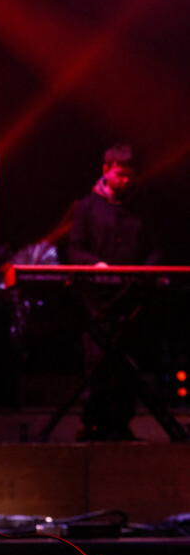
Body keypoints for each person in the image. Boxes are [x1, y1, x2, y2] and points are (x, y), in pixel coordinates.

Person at [67, 143, 161, 441]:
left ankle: (121, 424)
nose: (125, 181)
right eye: (120, 175)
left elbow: (156, 248)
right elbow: (74, 250)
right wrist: (97, 265)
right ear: (106, 171)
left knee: (127, 365)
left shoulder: (142, 209)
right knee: (97, 363)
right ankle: (94, 422)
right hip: (98, 301)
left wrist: (146, 273)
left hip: (131, 299)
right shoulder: (86, 207)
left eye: (130, 176)